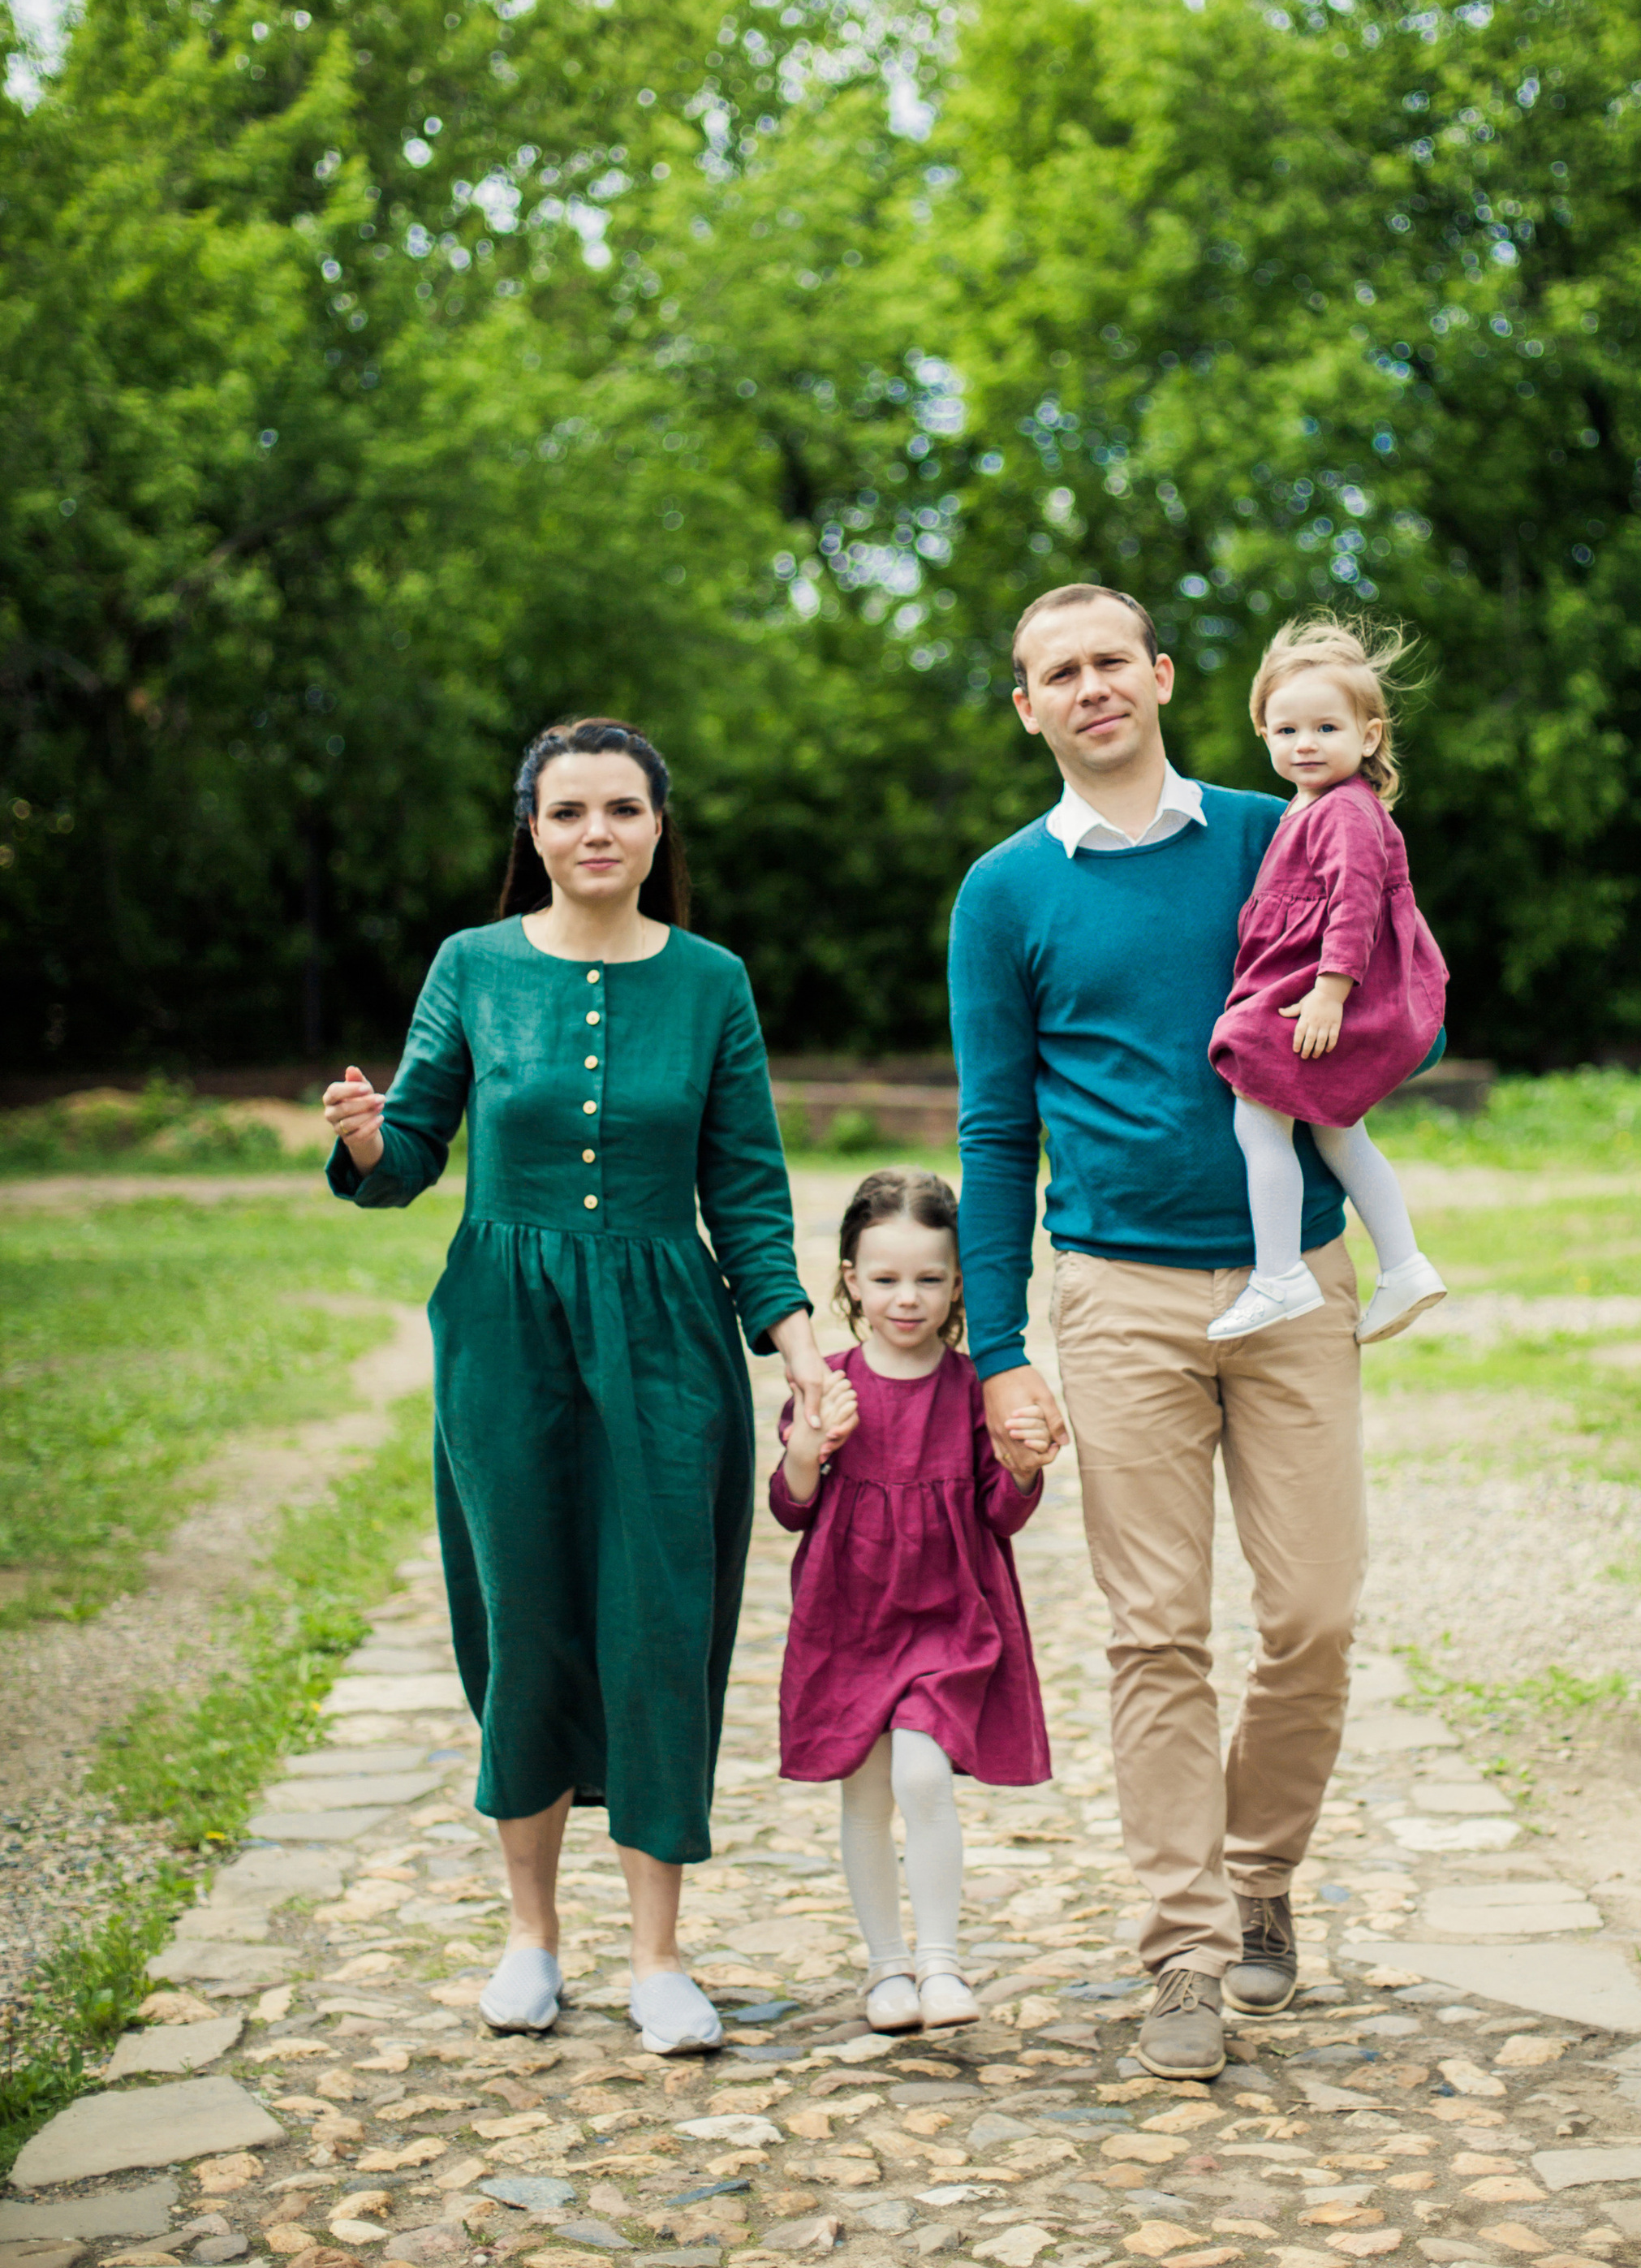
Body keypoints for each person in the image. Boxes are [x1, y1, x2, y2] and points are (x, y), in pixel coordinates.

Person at [321, 714, 832, 2059]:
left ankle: (659, 1959)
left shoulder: (713, 982)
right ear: (533, 832)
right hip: (507, 1335)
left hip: (667, 1338)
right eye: (567, 811)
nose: (595, 831)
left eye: (621, 809)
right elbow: (412, 1149)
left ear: (658, 830)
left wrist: (796, 1346)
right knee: (526, 1617)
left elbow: (747, 1187)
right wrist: (371, 1140)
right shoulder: (472, 965)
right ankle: (531, 1940)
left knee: (662, 1624)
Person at [949, 584, 1369, 2081]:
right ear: (1029, 708)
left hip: (1294, 1276)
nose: (1091, 687)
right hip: (1118, 1295)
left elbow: (1400, 990)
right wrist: (998, 1348)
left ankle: (1262, 1872)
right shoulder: (1004, 893)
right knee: (1155, 1633)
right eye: (1058, 672)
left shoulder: (1276, 829)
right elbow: (996, 1131)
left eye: (1111, 660)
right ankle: (1187, 1949)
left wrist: (1363, 1024)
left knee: (1313, 1616)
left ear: (1163, 675)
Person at [770, 1168, 1051, 2033]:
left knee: (923, 1775)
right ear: (851, 1279)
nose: (907, 1298)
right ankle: (886, 1967)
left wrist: (1023, 1467)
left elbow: (1000, 1513)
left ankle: (940, 1962)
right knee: (864, 1795)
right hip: (849, 1618)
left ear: (959, 1282)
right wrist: (810, 1447)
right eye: (886, 1278)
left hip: (947, 1616)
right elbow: (791, 1507)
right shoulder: (829, 1383)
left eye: (930, 1278)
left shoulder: (972, 1388)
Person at [1208, 614, 1449, 1344]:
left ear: (1368, 737)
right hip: (1314, 986)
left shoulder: (1345, 809)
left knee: (1257, 1116)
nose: (1304, 744)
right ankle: (1404, 1264)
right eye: (1286, 731)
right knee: (1339, 1132)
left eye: (1325, 728)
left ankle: (1280, 1274)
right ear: (1263, 734)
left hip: (1329, 993)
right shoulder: (1307, 806)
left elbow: (1356, 903)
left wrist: (1330, 991)